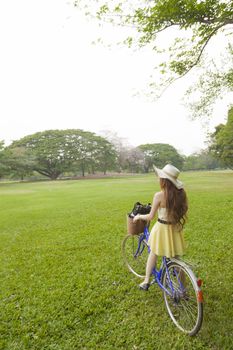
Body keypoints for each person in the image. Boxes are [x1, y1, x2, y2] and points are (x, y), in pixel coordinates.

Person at [133, 164, 188, 290]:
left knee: (153, 252)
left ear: (164, 180)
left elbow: (150, 216)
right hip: (174, 229)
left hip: (161, 229)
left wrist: (139, 217)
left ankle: (146, 280)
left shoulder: (159, 195)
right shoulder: (181, 194)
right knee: (177, 260)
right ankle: (184, 291)